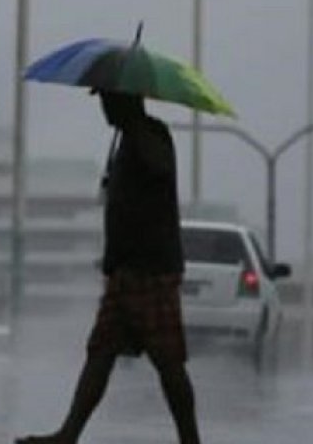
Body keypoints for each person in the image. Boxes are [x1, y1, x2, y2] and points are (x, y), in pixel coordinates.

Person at [18, 90, 201, 444]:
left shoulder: (150, 135)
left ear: (126, 101)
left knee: (168, 362)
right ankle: (68, 434)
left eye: (107, 100)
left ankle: (191, 440)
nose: (103, 108)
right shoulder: (126, 142)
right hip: (123, 272)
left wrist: (135, 132)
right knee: (100, 353)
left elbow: (161, 167)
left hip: (150, 271)